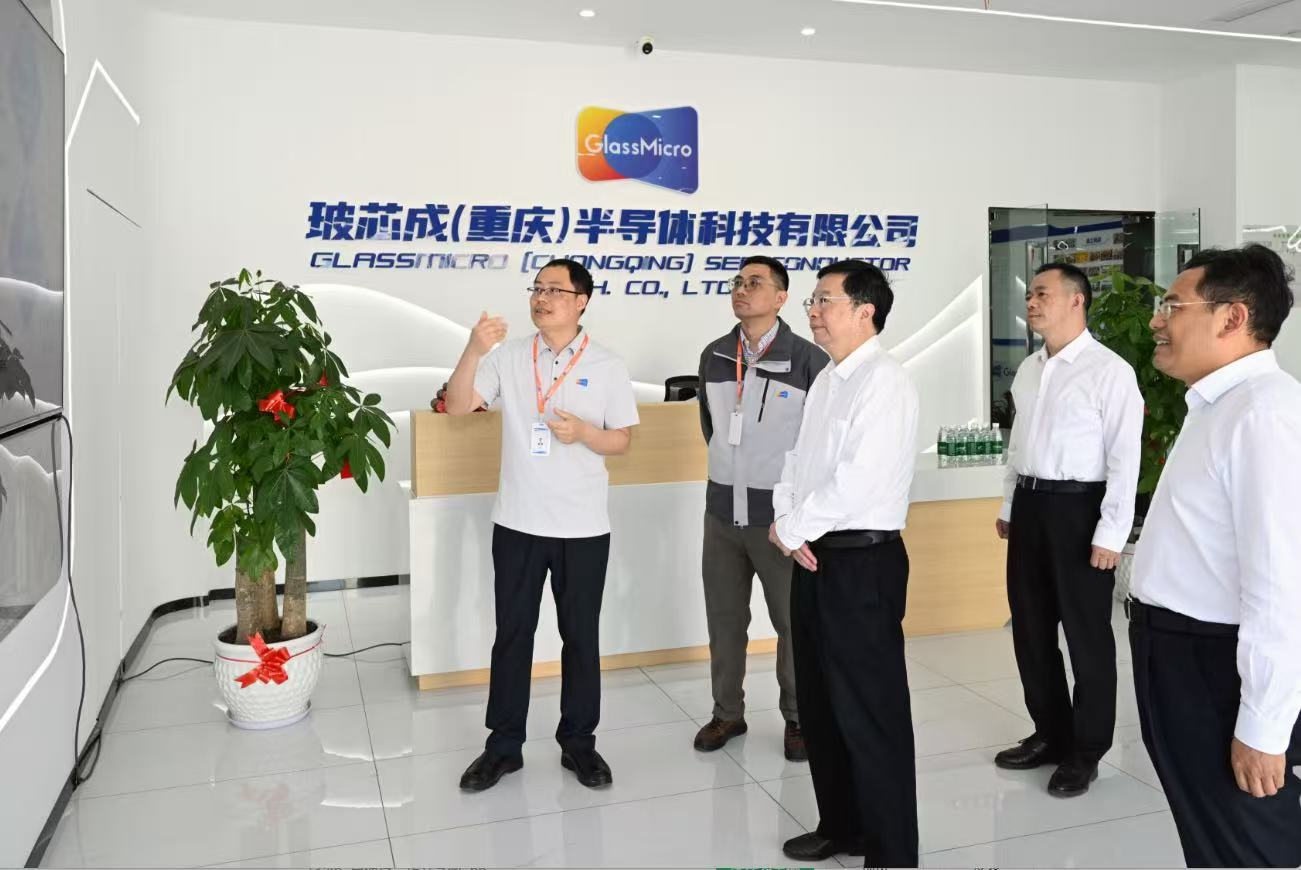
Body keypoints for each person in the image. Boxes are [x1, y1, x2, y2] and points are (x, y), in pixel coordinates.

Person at [1130, 244, 1301, 867]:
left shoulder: (1263, 414)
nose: (1157, 321)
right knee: (1211, 833)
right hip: (1180, 652)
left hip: (1214, 663)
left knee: (1246, 839)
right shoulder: (1218, 404)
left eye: (1173, 306)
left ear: (1232, 317)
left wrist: (1263, 726)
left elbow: (1281, 583)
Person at [444, 258, 640, 792]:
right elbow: (458, 408)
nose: (542, 297)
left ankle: (579, 743)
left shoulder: (606, 363)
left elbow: (622, 439)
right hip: (518, 521)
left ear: (582, 301)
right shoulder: (508, 356)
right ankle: (503, 746)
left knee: (580, 637)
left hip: (583, 526)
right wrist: (473, 348)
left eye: (555, 289)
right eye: (537, 288)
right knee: (513, 635)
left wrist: (586, 434)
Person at [771, 260, 920, 866]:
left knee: (870, 712)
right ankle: (843, 825)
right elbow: (796, 462)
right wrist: (786, 523)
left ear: (865, 311)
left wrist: (793, 528)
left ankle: (891, 851)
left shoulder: (885, 382)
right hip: (814, 557)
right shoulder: (828, 379)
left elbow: (858, 481)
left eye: (824, 300)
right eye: (812, 300)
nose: (812, 311)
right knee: (821, 703)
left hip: (862, 563)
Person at [993, 262, 1143, 797]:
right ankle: (1050, 733)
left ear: (1077, 301)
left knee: (1086, 637)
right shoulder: (1029, 369)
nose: (1031, 302)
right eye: (1030, 294)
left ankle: (1087, 749)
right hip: (1031, 505)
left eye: (1042, 294)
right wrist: (1010, 504)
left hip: (1081, 511)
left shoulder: (1109, 371)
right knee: (1031, 631)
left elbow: (1126, 459)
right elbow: (1019, 444)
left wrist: (1112, 534)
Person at [693, 255, 827, 761]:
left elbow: (816, 445)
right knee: (725, 620)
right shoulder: (714, 355)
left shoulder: (808, 360)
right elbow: (710, 427)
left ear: (781, 297)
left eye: (755, 282)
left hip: (778, 519)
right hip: (721, 513)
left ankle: (799, 718)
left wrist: (797, 513)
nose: (742, 289)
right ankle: (727, 712)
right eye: (738, 281)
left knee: (793, 624)